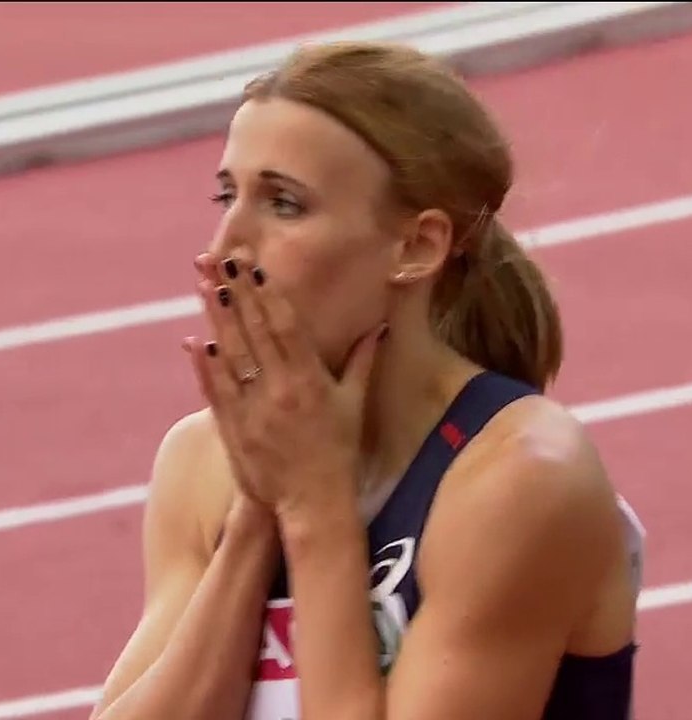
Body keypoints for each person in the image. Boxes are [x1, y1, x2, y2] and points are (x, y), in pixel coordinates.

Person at [89, 40, 645, 720]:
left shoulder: (521, 479)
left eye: (284, 204)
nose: (224, 246)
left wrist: (316, 508)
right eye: (227, 194)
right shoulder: (202, 461)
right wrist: (258, 512)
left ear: (416, 247)